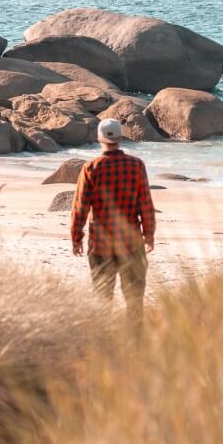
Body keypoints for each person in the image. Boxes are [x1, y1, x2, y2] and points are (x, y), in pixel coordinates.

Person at [70, 119, 156, 324]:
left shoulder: (91, 168)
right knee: (135, 300)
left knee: (102, 298)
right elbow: (145, 204)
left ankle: (105, 342)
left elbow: (80, 207)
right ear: (120, 138)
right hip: (132, 243)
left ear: (99, 138)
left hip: (101, 244)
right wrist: (149, 234)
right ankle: (135, 342)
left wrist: (76, 237)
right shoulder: (136, 166)